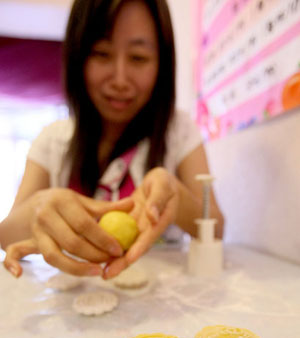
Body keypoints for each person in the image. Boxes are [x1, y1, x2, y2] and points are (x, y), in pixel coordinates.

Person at [0, 0, 224, 279]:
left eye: (138, 58)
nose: (120, 79)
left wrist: (174, 194)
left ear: (162, 63)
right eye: (102, 54)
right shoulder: (53, 141)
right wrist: (37, 209)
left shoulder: (178, 131)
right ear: (77, 56)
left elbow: (216, 229)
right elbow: (7, 236)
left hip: (163, 308)